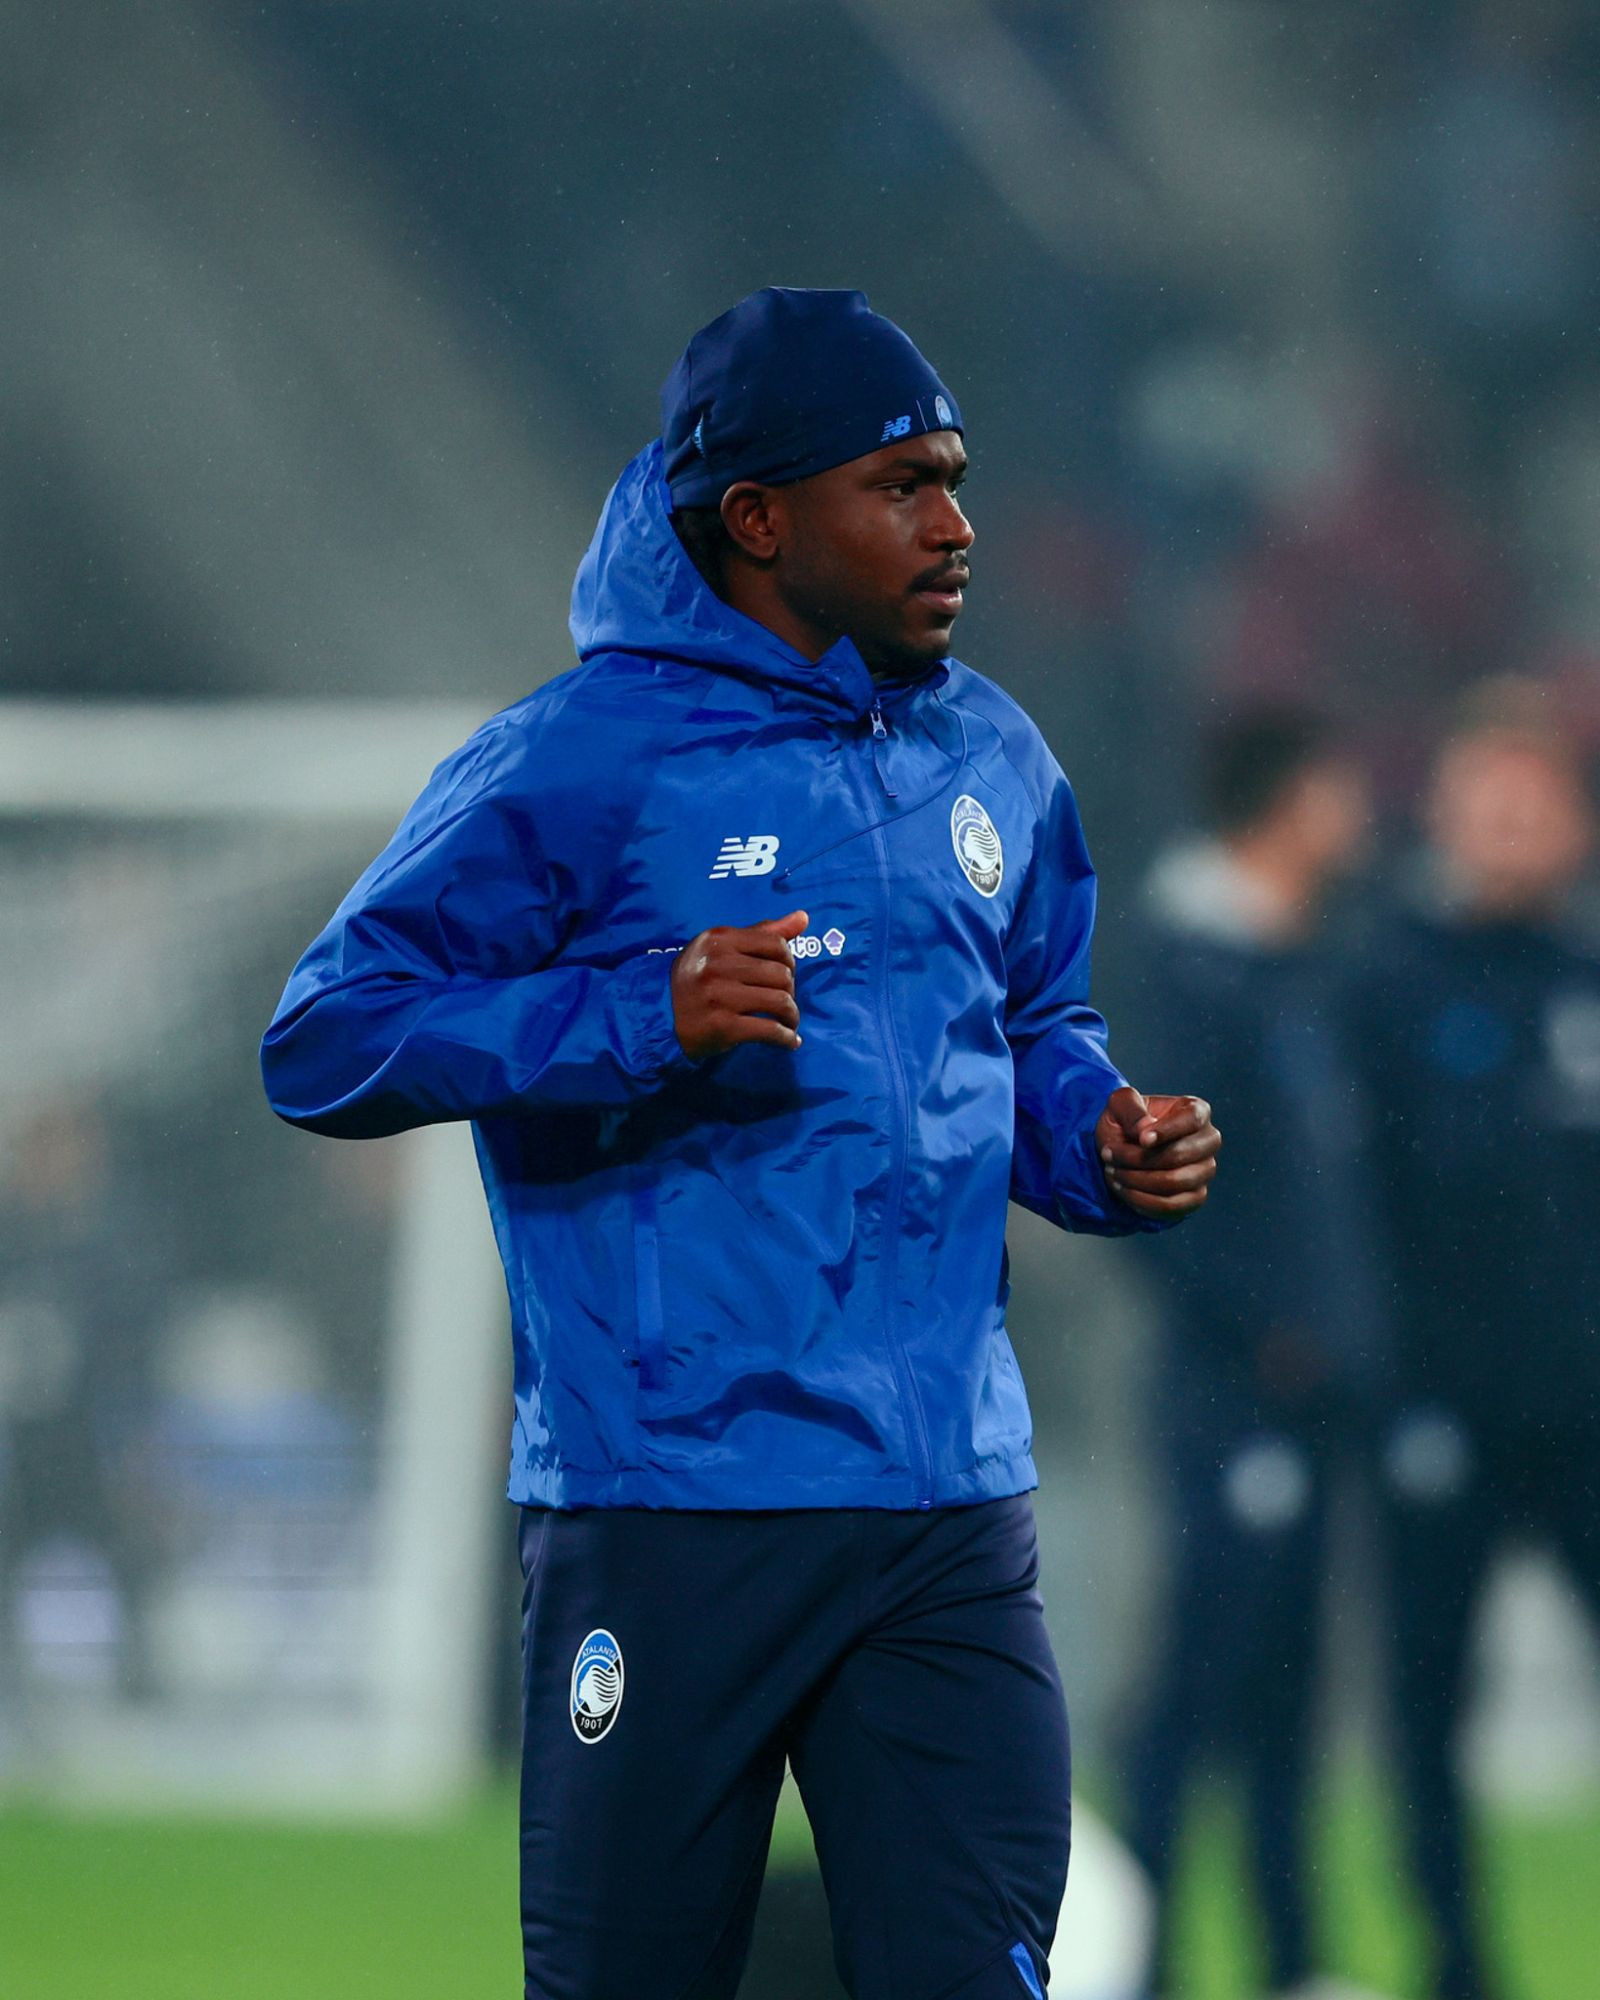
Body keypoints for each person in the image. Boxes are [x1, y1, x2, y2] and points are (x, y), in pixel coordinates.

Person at [261, 286, 1222, 2000]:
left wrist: (1101, 1140)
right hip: (673, 1508)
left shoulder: (992, 751)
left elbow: (1031, 1027)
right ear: (763, 519)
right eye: (903, 487)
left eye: (954, 481)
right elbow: (327, 1036)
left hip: (944, 1512)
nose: (956, 526)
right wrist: (638, 1011)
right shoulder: (578, 763)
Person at [1116, 711, 1379, 2000]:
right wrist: (1268, 1328)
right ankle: (1135, 1960)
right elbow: (1149, 1199)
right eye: (1338, 786)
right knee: (1193, 1691)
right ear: (1285, 800)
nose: (1358, 811)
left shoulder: (1299, 965)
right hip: (1229, 1399)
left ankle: (1291, 1966)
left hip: (1305, 1396)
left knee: (1281, 1699)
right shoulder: (1189, 970)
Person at [1351, 686, 1600, 2000]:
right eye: (1487, 804)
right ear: (1442, 816)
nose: (1510, 829)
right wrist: (1391, 1392)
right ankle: (1457, 1963)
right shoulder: (1384, 986)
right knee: (1427, 1704)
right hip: (1438, 1414)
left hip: (1587, 1414)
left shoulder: (1587, 979)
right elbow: (1353, 1215)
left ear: (1574, 824)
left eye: (1532, 806)